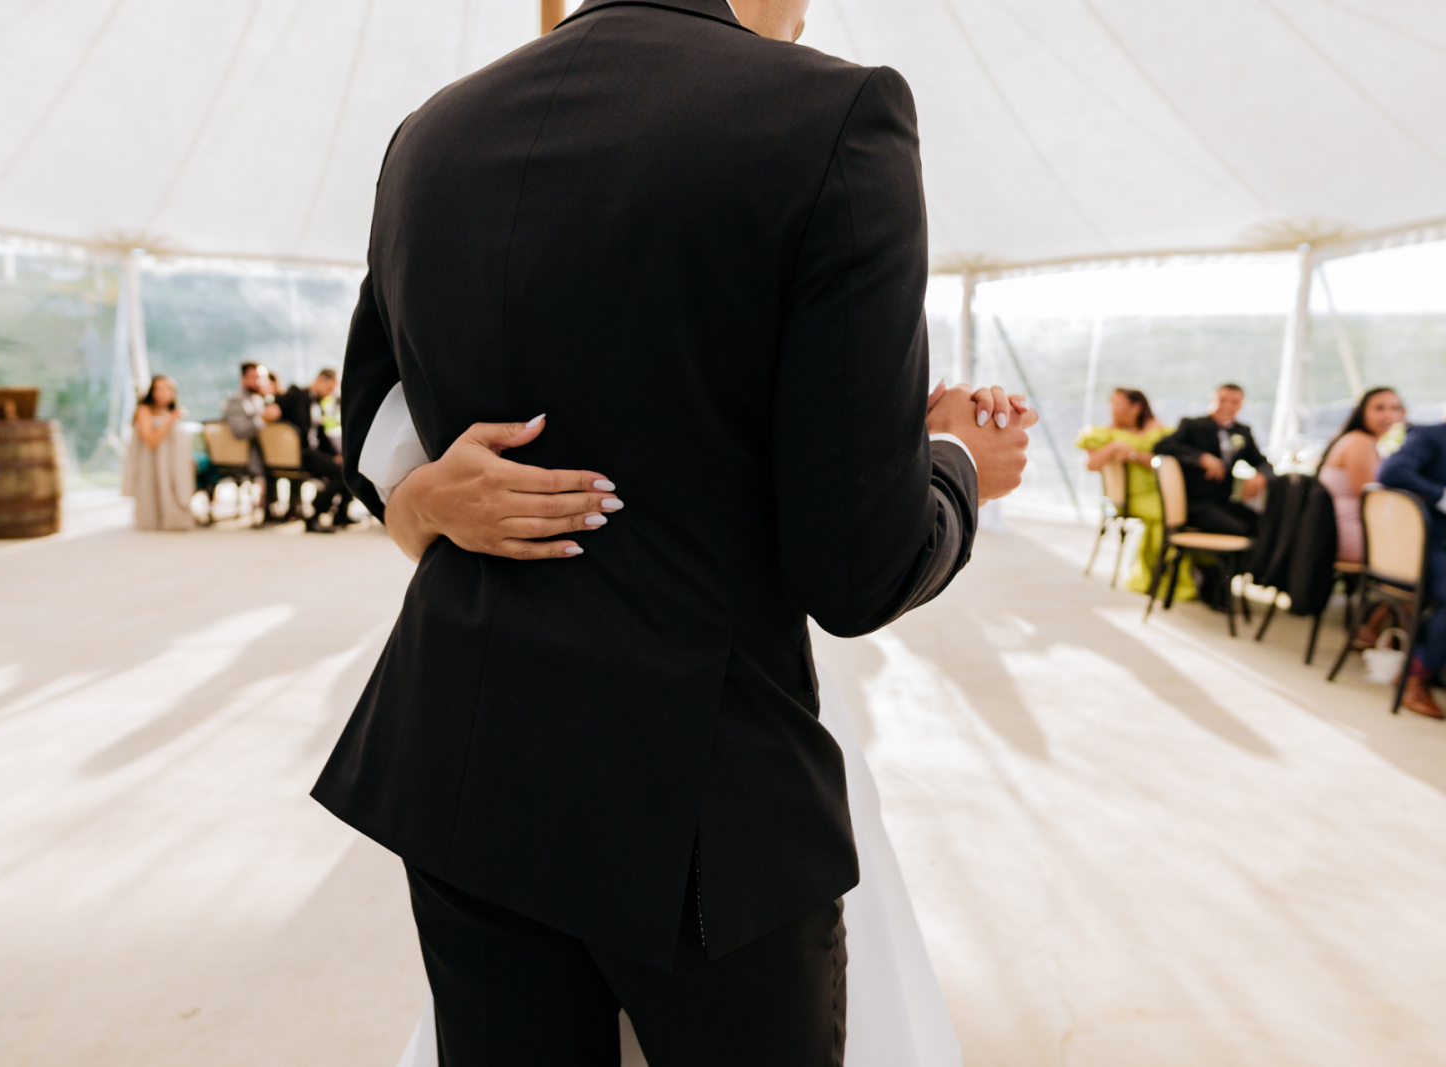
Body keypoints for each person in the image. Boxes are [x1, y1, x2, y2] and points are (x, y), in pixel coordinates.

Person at [312, 1, 1036, 1064]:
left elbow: (381, 443)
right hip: (697, 801)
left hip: (462, 762)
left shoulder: (429, 133)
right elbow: (857, 568)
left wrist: (423, 505)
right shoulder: (838, 114)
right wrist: (955, 466)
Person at [1154, 383, 1273, 608]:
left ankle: (1222, 578)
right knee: (1241, 530)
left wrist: (1260, 476)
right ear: (1212, 400)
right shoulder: (1192, 425)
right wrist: (1201, 457)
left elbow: (1263, 463)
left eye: (1234, 402)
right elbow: (1161, 445)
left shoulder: (1242, 432)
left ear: (1240, 406)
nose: (1227, 407)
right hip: (1197, 504)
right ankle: (1213, 576)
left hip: (1223, 501)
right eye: (1223, 400)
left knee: (1264, 526)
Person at [1076, 387, 1195, 600]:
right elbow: (1091, 465)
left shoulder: (1159, 432)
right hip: (1127, 498)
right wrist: (1113, 447)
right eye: (1111, 404)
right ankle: (1161, 577)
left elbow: (1164, 463)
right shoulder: (1104, 434)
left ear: (1136, 407)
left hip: (1158, 492)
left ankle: (1170, 575)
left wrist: (1132, 454)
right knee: (1166, 516)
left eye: (1118, 404)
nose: (1112, 409)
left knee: (1180, 511)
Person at [1377, 419, 1446, 719]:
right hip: (1425, 548)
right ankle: (1415, 678)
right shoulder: (1430, 436)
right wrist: (1442, 496)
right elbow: (1391, 472)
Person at [1317, 387, 1406, 563]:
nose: (1388, 415)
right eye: (1379, 408)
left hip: (1350, 530)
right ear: (1362, 411)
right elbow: (1372, 498)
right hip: (1352, 535)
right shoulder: (1359, 442)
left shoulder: (1368, 442)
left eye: (1395, 408)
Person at [278, 368, 351, 533]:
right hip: (300, 453)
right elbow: (277, 402)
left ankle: (341, 514)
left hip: (313, 453)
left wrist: (336, 455)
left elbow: (322, 434)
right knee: (339, 473)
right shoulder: (296, 394)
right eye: (329, 388)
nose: (329, 393)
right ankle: (313, 518)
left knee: (347, 465)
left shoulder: (318, 404)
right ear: (319, 380)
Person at [121, 375, 195, 531]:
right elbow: (150, 441)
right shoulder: (144, 410)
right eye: (159, 388)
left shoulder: (171, 411)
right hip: (151, 462)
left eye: (168, 388)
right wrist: (170, 420)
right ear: (152, 392)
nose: (163, 392)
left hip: (171, 463)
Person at [221, 362, 285, 519]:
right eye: (254, 377)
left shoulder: (261, 398)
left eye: (261, 378)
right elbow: (239, 431)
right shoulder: (237, 400)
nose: (258, 381)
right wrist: (262, 418)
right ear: (243, 378)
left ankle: (282, 509)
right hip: (247, 453)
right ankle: (269, 508)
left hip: (268, 450)